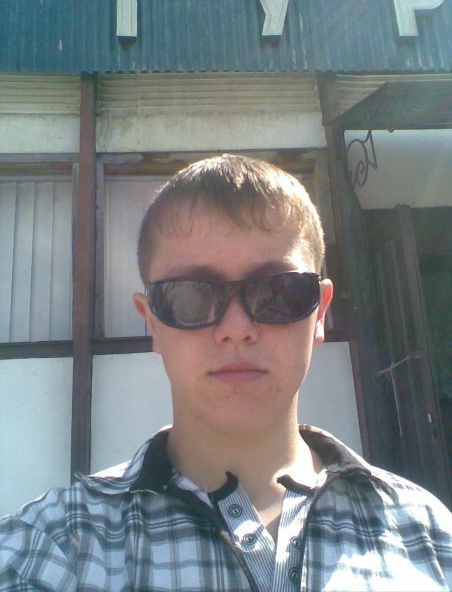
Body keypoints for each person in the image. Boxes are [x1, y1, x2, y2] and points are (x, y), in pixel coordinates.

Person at [0, 154, 451, 591]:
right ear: (152, 322)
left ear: (319, 314)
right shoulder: (52, 548)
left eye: (279, 292)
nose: (237, 329)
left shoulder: (429, 537)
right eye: (191, 297)